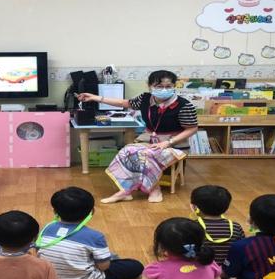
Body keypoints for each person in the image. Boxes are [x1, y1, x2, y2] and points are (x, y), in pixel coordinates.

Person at [77, 70, 198, 203]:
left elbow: (192, 129)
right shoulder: (145, 98)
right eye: (159, 86)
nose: (164, 90)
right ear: (150, 86)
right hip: (149, 139)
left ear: (174, 86)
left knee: (146, 155)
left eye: (168, 86)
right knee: (127, 151)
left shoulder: (184, 105)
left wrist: (168, 142)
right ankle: (125, 191)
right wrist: (95, 97)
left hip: (175, 144)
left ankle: (154, 189)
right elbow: (123, 103)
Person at [36, 187, 143, 279]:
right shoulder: (95, 236)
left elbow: (39, 253)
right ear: (92, 212)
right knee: (135, 266)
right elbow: (103, 267)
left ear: (55, 211)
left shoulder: (46, 229)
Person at [190, 185, 245, 266]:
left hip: (201, 269)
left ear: (195, 207)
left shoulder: (192, 227)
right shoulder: (236, 227)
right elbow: (242, 248)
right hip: (227, 269)